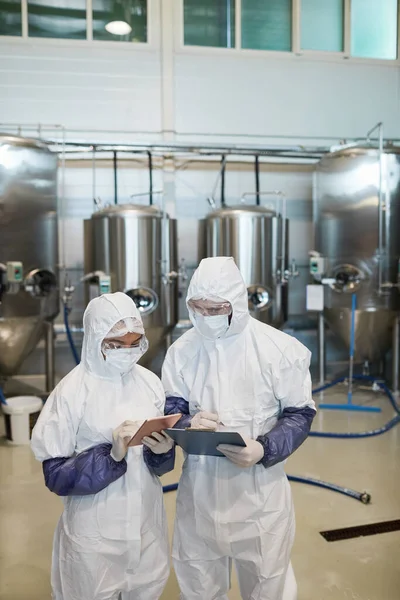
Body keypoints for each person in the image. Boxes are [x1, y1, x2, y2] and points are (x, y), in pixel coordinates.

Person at [162, 256, 316, 600]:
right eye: (197, 308)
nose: (206, 317)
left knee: (267, 584)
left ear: (236, 304)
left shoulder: (278, 350)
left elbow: (299, 413)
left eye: (216, 309)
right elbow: (172, 410)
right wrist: (187, 422)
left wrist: (264, 448)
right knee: (199, 584)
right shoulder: (181, 351)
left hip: (259, 499)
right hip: (200, 495)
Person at [31, 292, 175, 600]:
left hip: (146, 525)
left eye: (134, 342)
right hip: (94, 536)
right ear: (95, 339)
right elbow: (55, 474)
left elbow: (157, 467)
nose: (126, 350)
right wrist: (110, 456)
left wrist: (162, 453)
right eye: (115, 343)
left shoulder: (149, 383)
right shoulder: (71, 392)